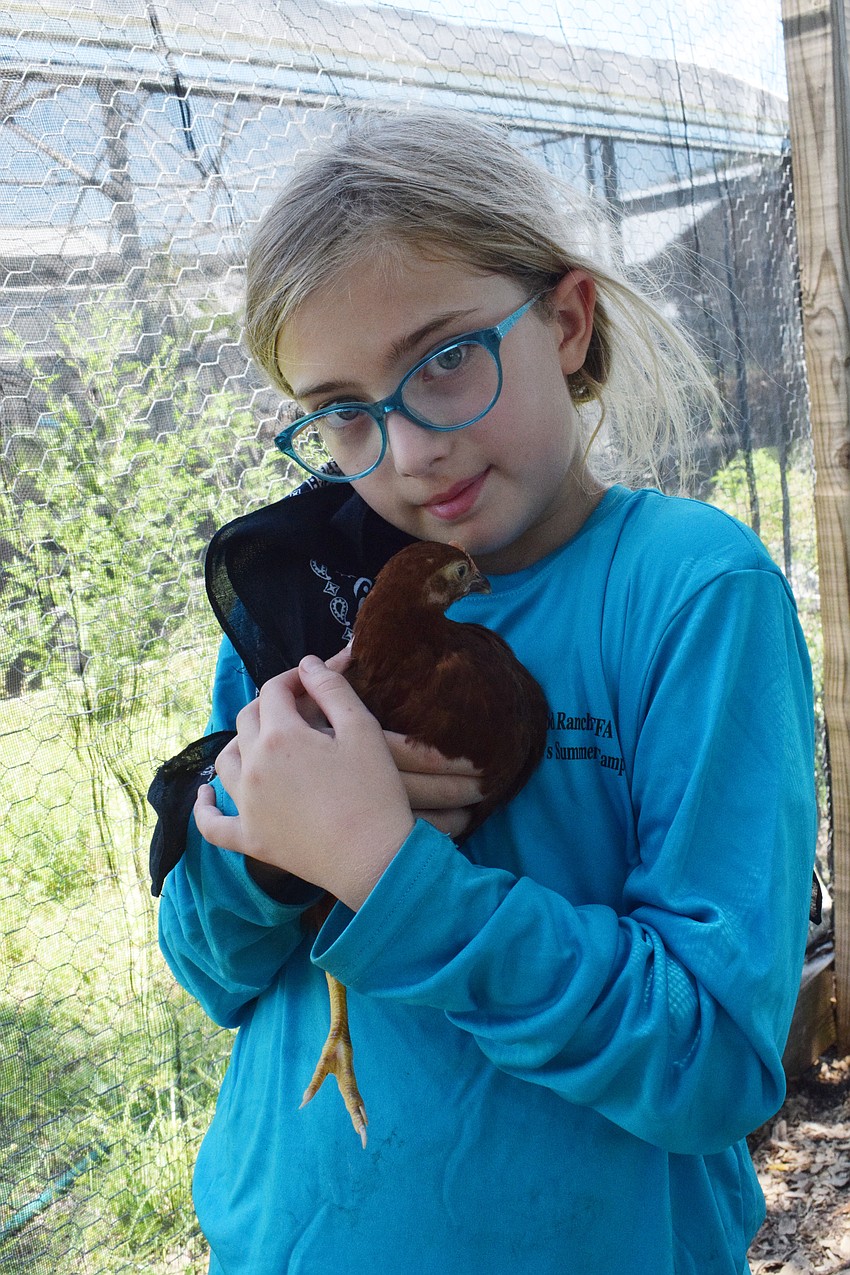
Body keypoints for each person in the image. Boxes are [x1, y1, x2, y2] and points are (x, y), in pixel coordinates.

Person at [152, 106, 818, 1275]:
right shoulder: (310, 593)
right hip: (284, 1244)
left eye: (445, 357)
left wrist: (387, 873)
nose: (407, 451)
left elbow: (711, 1064)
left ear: (565, 319)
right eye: (343, 411)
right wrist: (266, 857)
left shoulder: (686, 591)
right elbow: (212, 974)